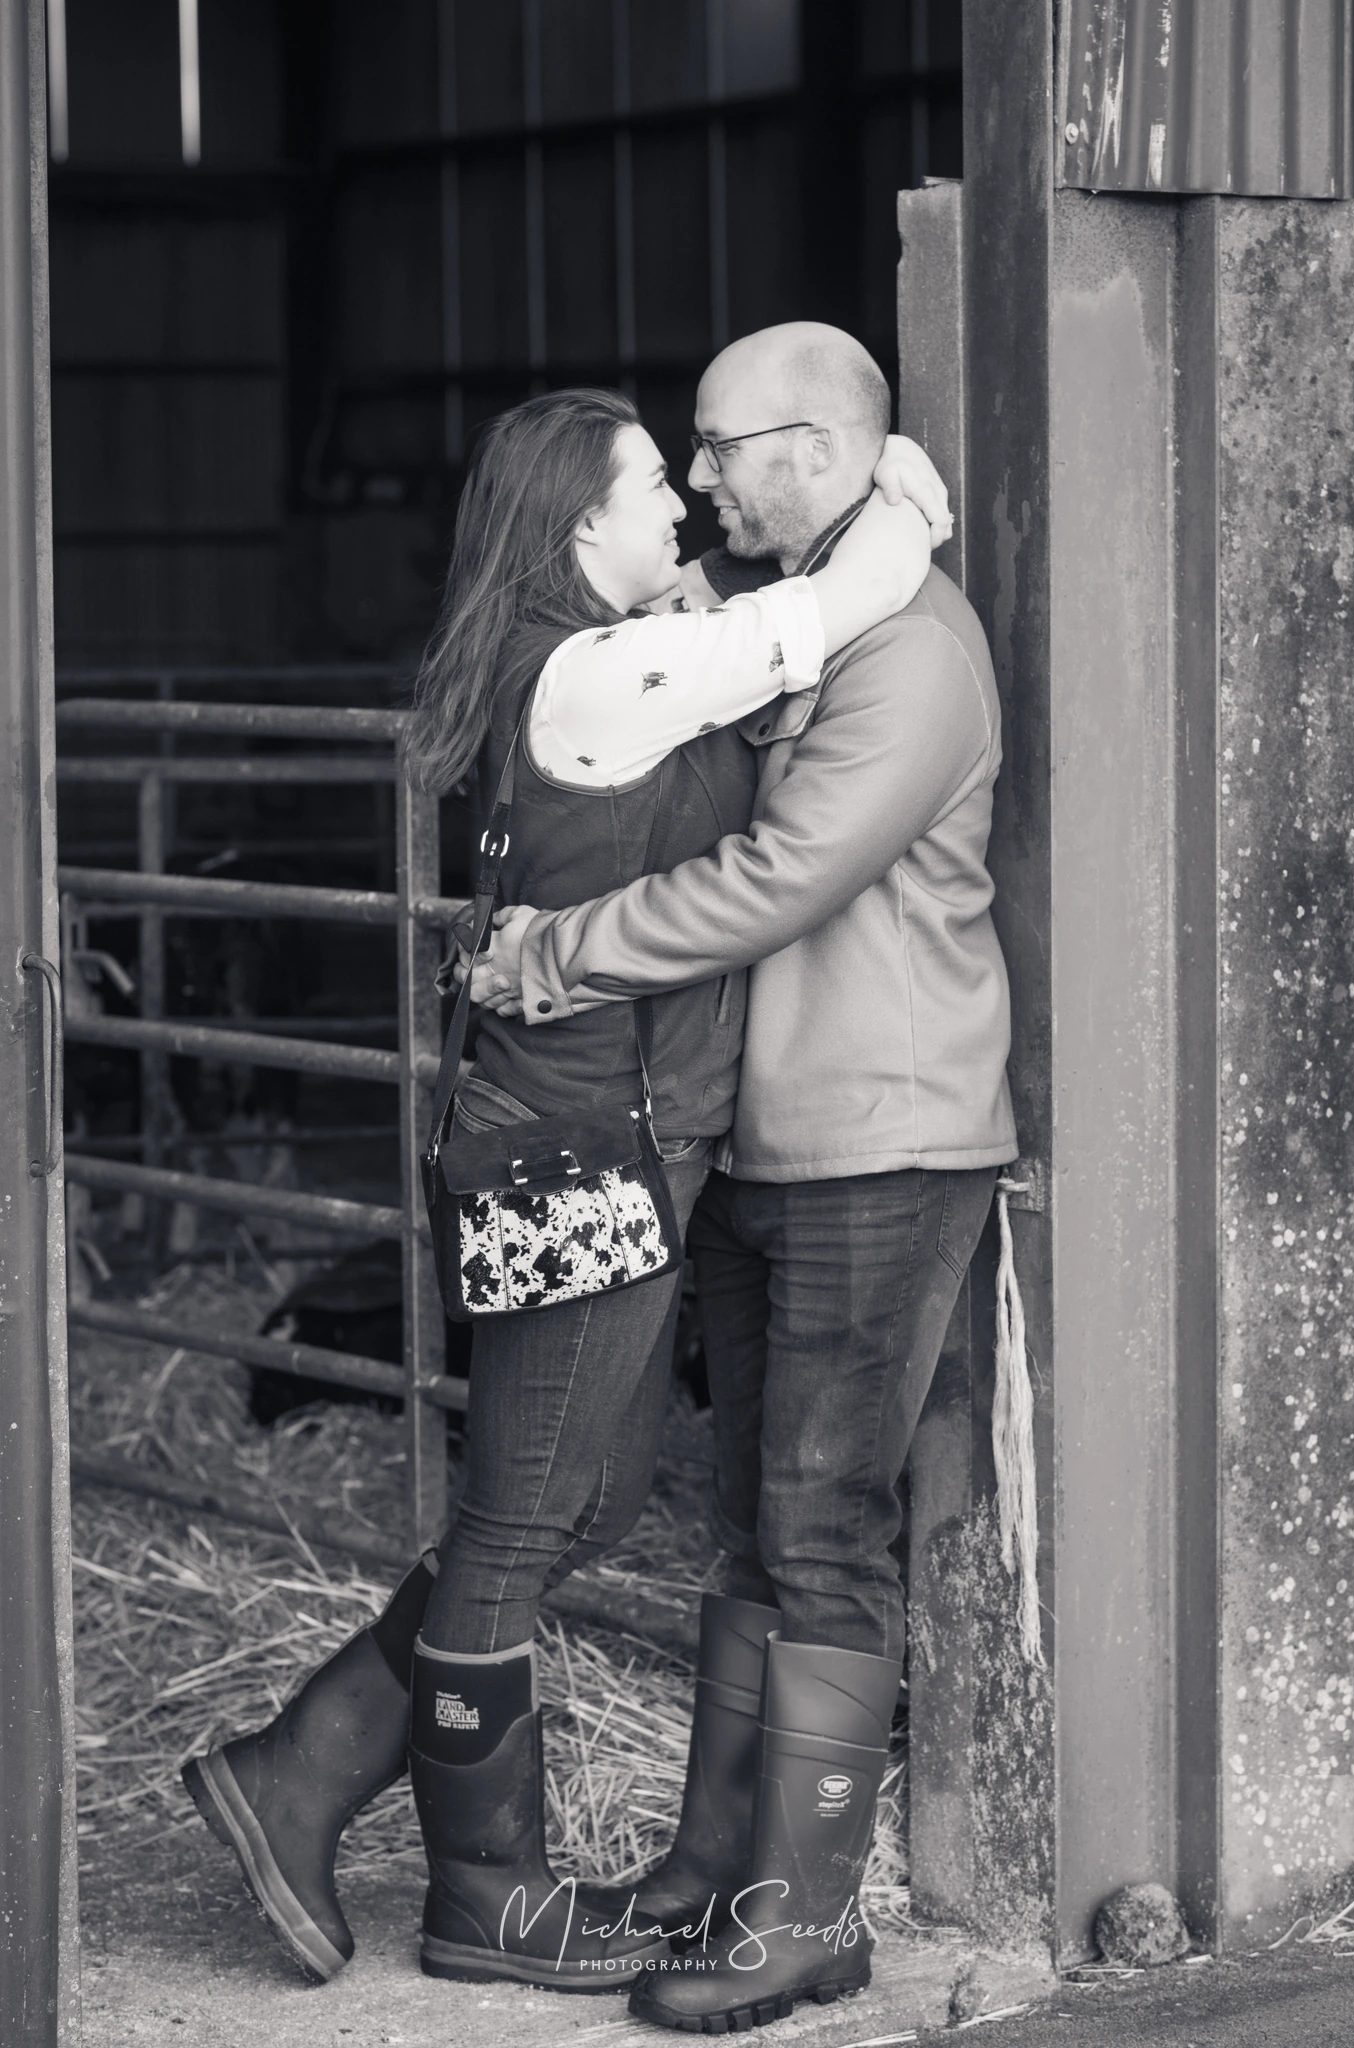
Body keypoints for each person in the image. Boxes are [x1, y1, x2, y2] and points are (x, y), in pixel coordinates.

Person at [179, 379, 946, 1995]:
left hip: (594, 1137)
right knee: (528, 1524)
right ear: (576, 524)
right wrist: (905, 491)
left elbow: (720, 642)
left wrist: (692, 591)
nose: (679, 508)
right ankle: (487, 1894)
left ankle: (297, 1770)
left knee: (570, 1506)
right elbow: (847, 599)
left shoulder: (592, 659)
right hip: (584, 1151)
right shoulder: (600, 676)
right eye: (651, 486)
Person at [465, 321, 1019, 2033]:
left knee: (825, 1523)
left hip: (882, 1132)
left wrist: (562, 950)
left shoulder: (913, 653)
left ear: (815, 449)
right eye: (682, 458)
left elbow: (783, 874)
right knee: (751, 1528)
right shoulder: (803, 615)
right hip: (772, 1142)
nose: (698, 483)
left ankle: (804, 1917)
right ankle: (711, 1873)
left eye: (719, 447)